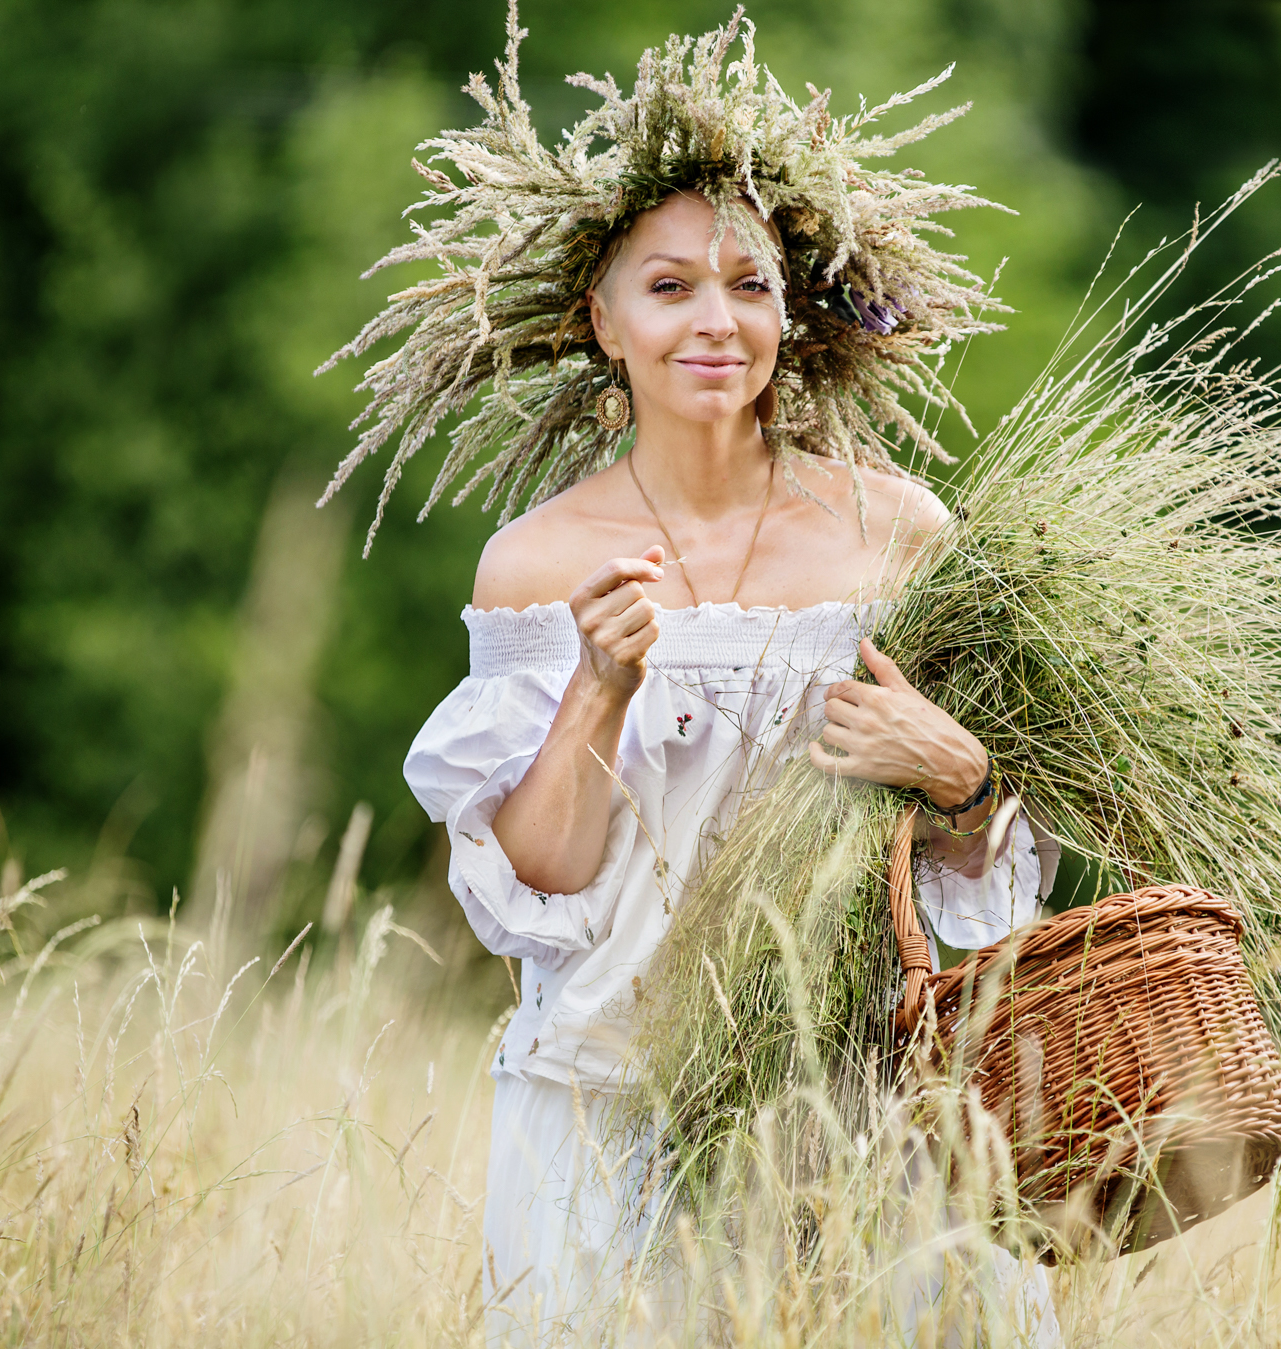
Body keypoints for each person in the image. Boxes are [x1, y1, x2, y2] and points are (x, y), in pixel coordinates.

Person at [327, 12, 1061, 1343]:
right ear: (601, 321)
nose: (714, 321)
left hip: (872, 1104)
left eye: (748, 283)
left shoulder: (905, 533)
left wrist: (960, 773)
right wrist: (597, 689)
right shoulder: (536, 561)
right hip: (621, 1098)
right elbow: (537, 894)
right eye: (667, 287)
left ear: (793, 310)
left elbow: (981, 889)